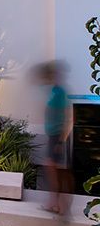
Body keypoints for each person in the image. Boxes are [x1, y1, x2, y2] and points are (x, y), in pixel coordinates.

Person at [37, 61, 74, 214]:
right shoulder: (53, 90)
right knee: (52, 169)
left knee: (53, 169)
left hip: (57, 137)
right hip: (52, 135)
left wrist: (61, 141)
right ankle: (54, 203)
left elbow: (69, 118)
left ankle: (57, 204)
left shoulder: (60, 92)